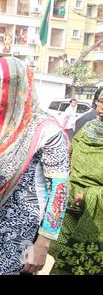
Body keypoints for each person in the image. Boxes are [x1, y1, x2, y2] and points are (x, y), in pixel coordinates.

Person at [0, 57, 70, 275]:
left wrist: (43, 244)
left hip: (21, 234)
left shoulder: (46, 130)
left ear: (17, 88)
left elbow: (60, 190)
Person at [49, 91, 103, 275]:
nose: (102, 107)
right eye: (101, 102)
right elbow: (70, 152)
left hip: (97, 212)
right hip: (71, 204)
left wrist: (89, 195)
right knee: (58, 248)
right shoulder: (88, 127)